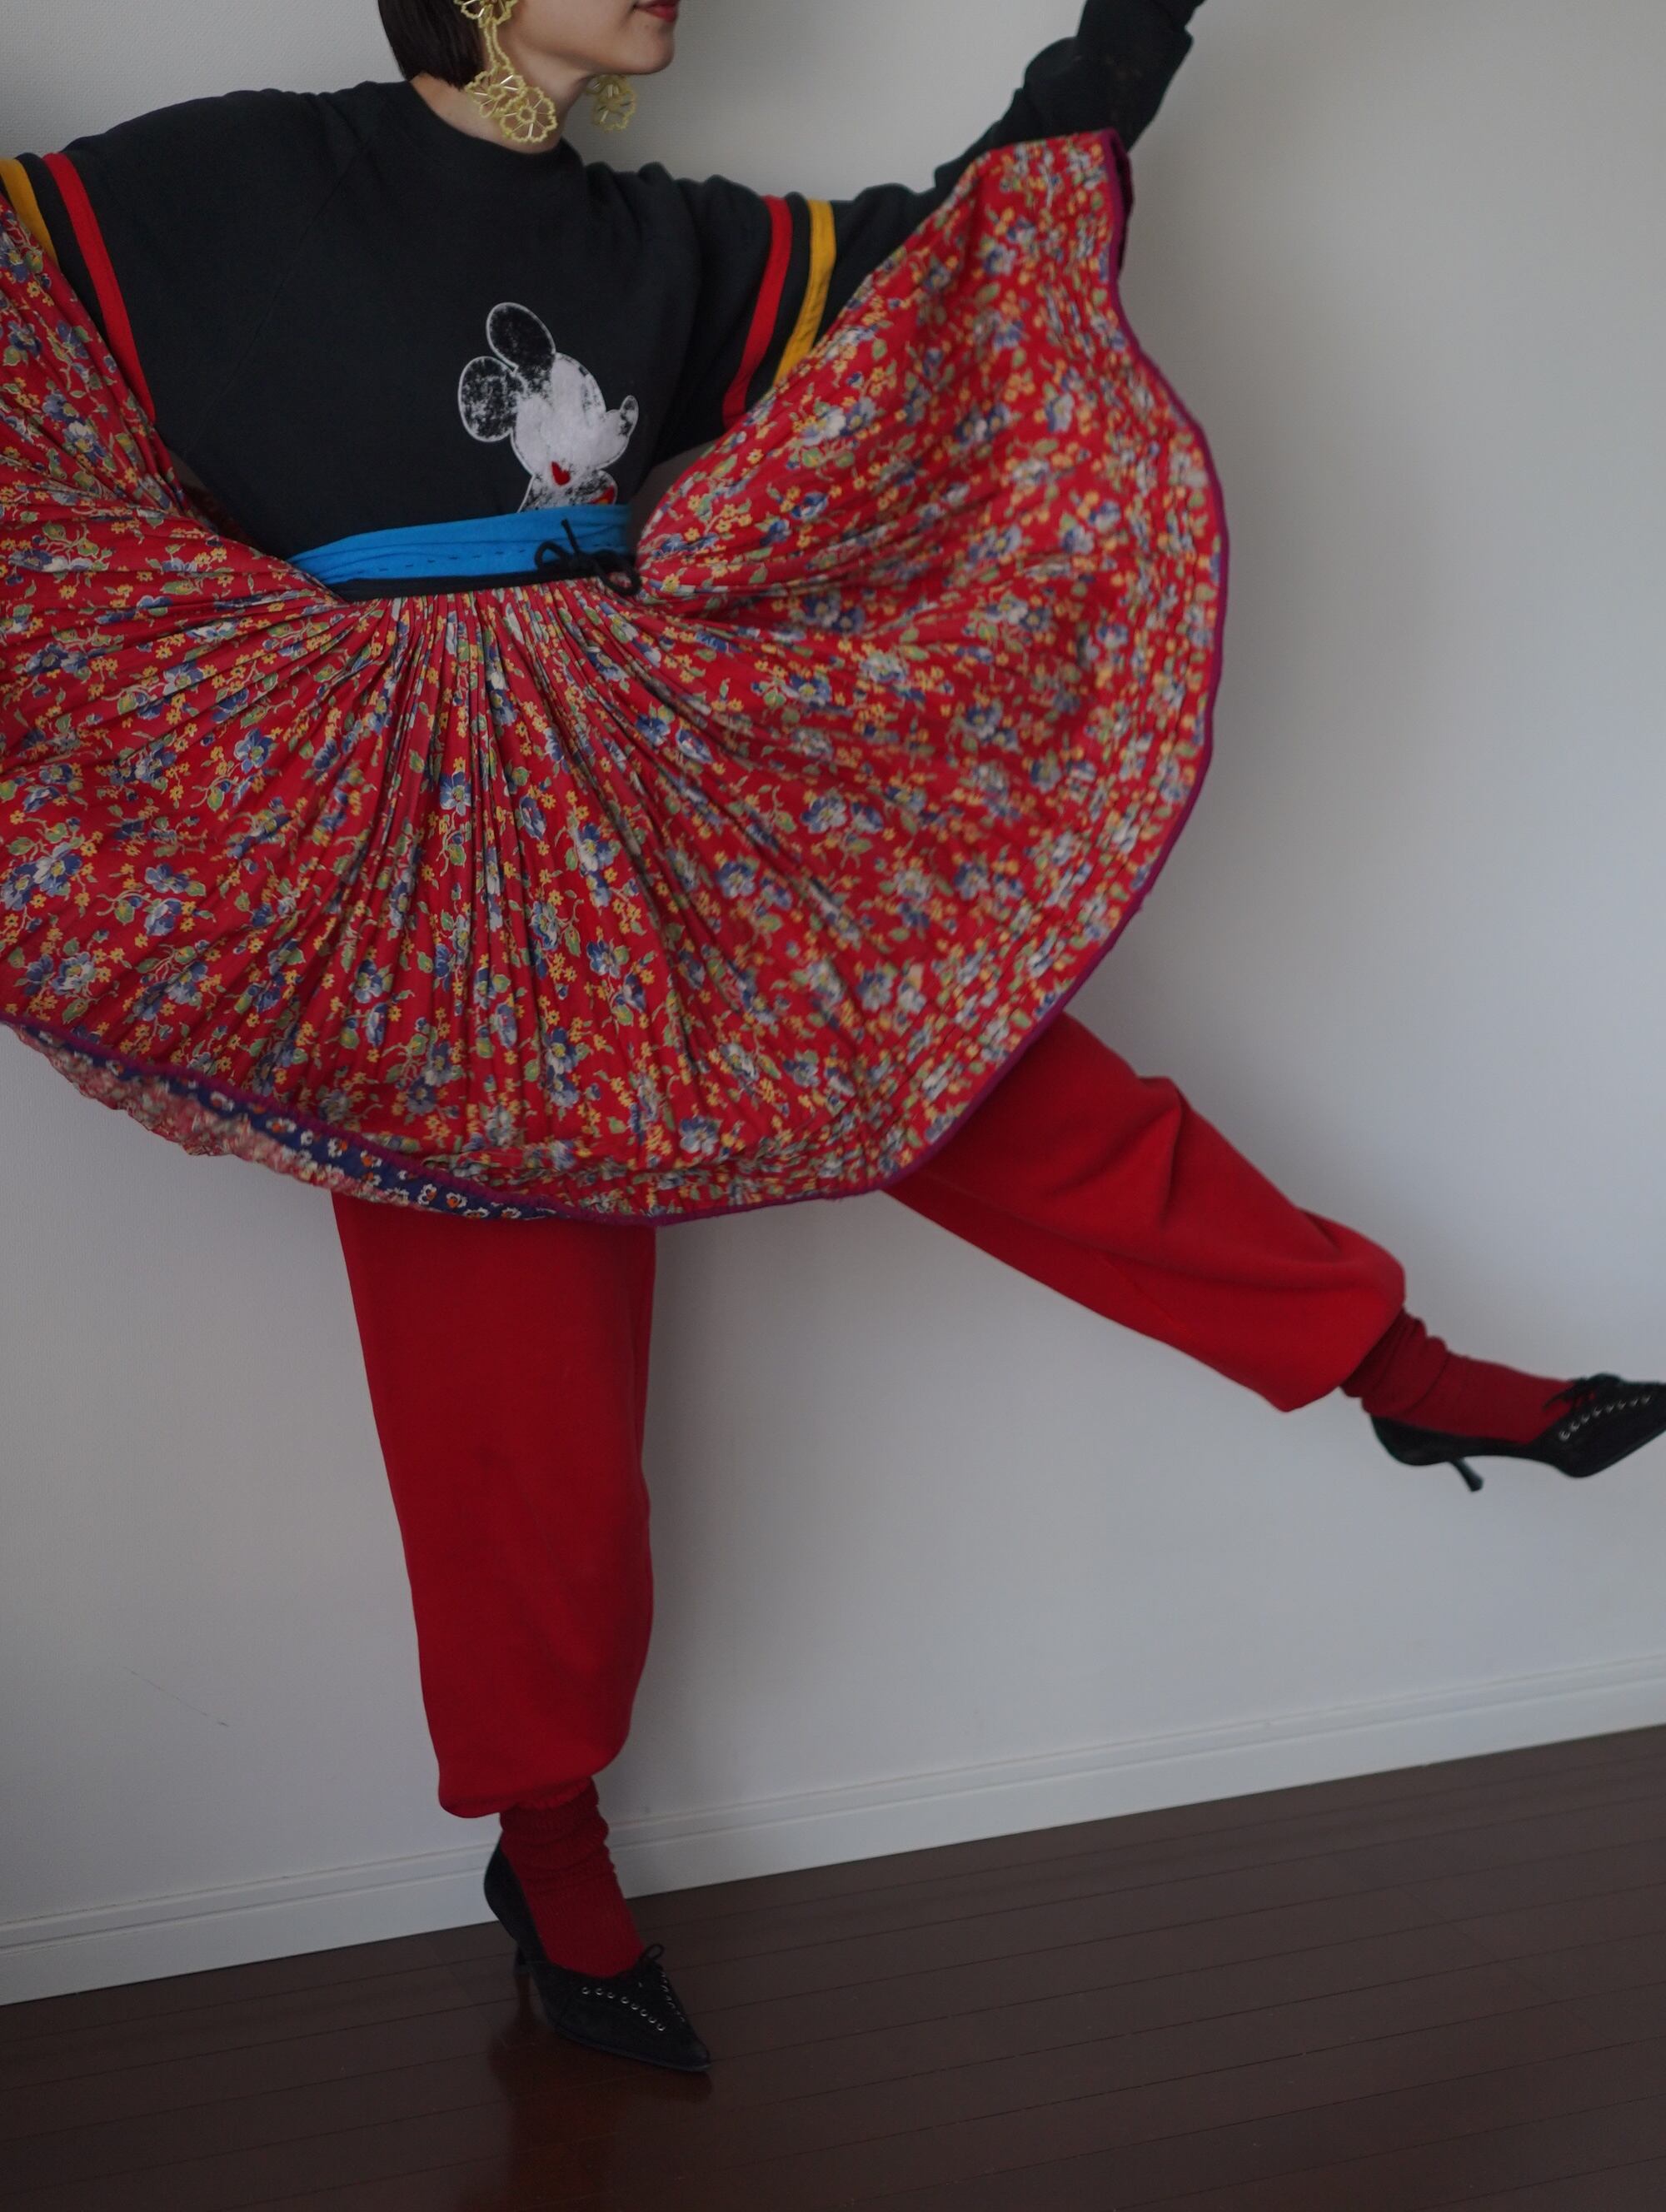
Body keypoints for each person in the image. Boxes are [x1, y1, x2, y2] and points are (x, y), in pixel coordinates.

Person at [2, 0, 1660, 2077]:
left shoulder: (670, 245)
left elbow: (947, 271)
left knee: (996, 1084)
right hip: (412, 851)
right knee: (507, 1384)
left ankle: (1400, 1374)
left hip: (659, 771)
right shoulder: (228, 180)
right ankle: (551, 1852)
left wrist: (1112, 58)